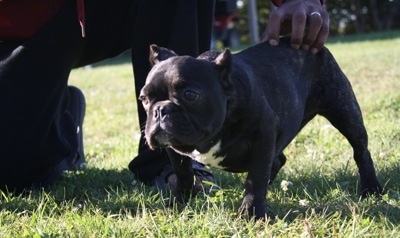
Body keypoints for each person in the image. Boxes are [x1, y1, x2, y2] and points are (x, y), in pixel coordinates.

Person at [0, 0, 329, 193]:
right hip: (19, 22)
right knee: (16, 174)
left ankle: (170, 161)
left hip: (100, 9)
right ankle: (59, 113)